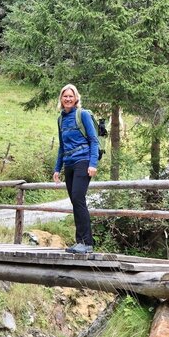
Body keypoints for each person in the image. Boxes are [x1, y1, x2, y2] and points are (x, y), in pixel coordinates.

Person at [52, 84, 99, 254]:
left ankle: (87, 243)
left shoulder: (83, 114)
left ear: (76, 98)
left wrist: (93, 163)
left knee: (78, 199)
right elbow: (61, 146)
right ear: (61, 99)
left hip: (83, 160)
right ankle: (80, 242)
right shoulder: (61, 119)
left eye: (71, 96)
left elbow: (93, 140)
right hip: (69, 163)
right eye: (65, 96)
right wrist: (57, 169)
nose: (68, 99)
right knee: (75, 202)